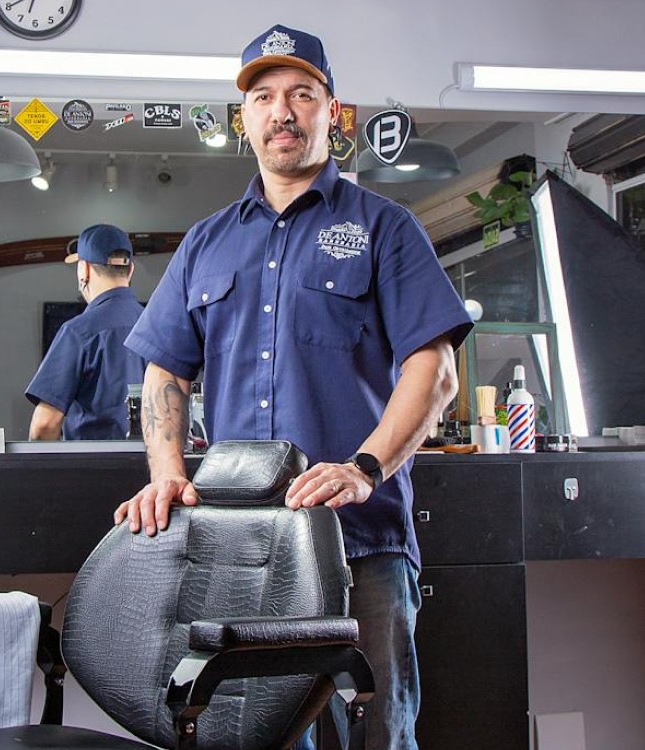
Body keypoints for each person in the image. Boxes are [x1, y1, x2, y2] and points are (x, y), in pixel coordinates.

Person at [117, 24, 473, 749]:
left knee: (379, 734)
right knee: (255, 737)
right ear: (243, 119)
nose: (283, 111)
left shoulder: (386, 229)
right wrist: (165, 472)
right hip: (243, 543)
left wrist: (364, 466)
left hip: (361, 546)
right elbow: (165, 369)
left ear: (332, 114)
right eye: (266, 97)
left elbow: (435, 372)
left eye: (302, 94)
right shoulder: (206, 243)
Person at [24, 224, 145, 440]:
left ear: (84, 270)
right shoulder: (157, 326)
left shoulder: (79, 332)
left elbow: (45, 425)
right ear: (131, 270)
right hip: (156, 468)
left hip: (94, 469)